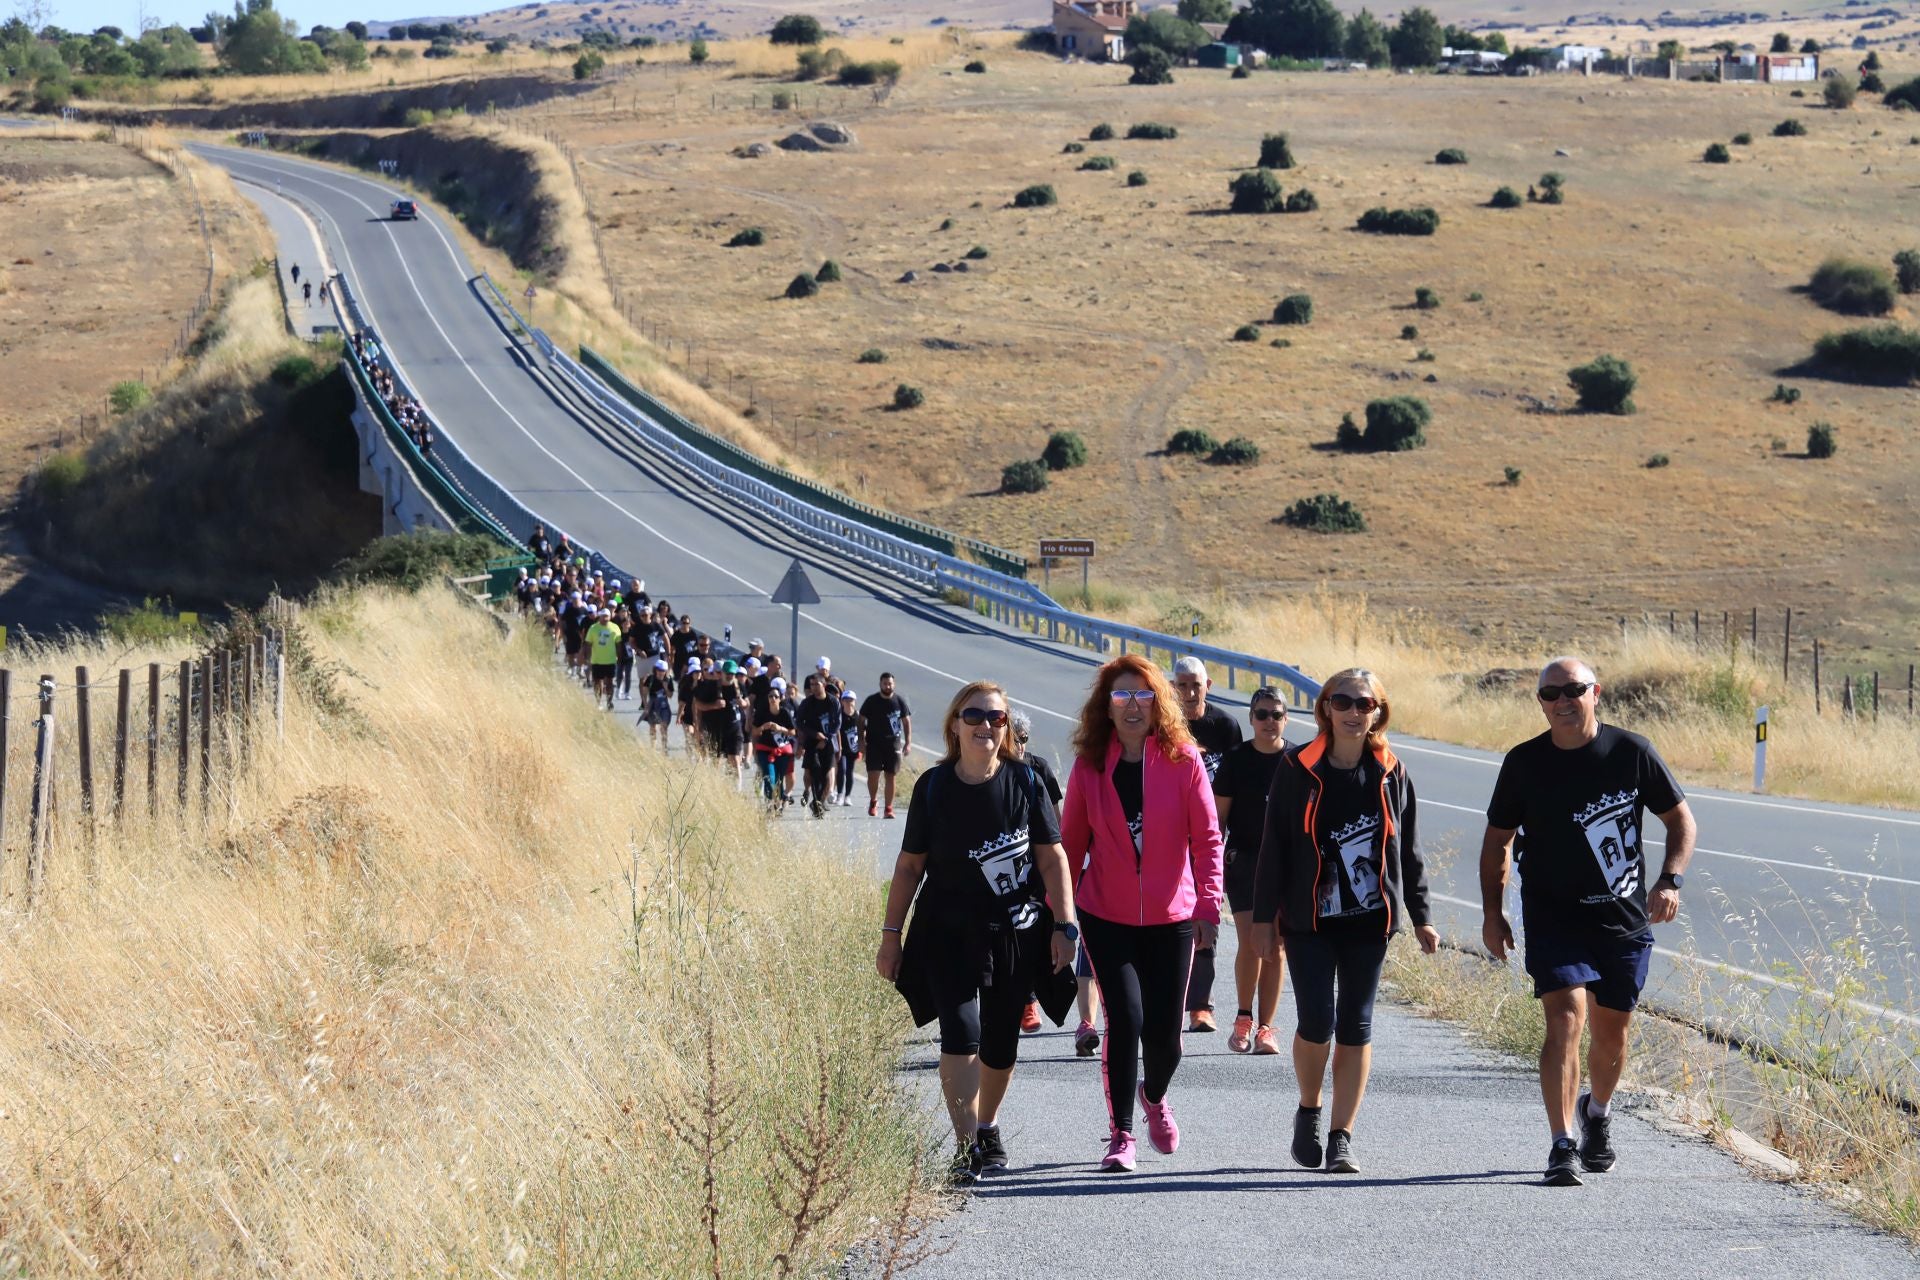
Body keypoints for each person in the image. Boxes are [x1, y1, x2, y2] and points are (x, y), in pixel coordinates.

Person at [1479, 657, 1696, 1187]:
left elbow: (1680, 820)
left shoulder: (1631, 752)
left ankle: (1595, 1112)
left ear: (1595, 692)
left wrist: (1669, 881)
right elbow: (1497, 842)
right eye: (1549, 694)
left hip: (1621, 918)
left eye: (1572, 690)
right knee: (1565, 1019)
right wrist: (1493, 912)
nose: (1560, 702)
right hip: (1553, 915)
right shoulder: (1524, 762)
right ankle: (1561, 1144)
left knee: (1612, 1036)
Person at [877, 681, 1078, 1185]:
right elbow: (908, 867)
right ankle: (966, 1147)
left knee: (1001, 1042)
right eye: (974, 716)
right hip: (946, 931)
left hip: (1013, 931)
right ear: (954, 724)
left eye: (996, 717)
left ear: (1008, 727)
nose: (985, 725)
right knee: (960, 1032)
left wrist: (1065, 923)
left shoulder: (1027, 782)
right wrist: (890, 935)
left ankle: (987, 1124)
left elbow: (1053, 858)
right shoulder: (932, 787)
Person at [1252, 669, 1438, 1175]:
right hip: (1309, 921)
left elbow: (1409, 849)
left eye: (1365, 703)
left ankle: (1342, 1136)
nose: (1355, 712)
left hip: (1369, 920)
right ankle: (1309, 1109)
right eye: (1344, 702)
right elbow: (1274, 848)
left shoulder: (1390, 770)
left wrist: (1421, 915)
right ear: (1326, 709)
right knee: (1317, 1020)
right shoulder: (1298, 768)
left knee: (1356, 1024)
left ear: (1378, 711)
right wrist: (1263, 920)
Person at [1061, 654, 1223, 1173]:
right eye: (1122, 696)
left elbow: (1207, 838)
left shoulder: (1183, 760)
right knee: (1124, 1019)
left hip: (1172, 916)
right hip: (1105, 915)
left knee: (1166, 1038)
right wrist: (1060, 915)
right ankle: (1121, 1134)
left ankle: (1154, 1094)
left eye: (1143, 695)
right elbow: (1068, 845)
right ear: (1105, 707)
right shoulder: (1089, 766)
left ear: (1159, 704)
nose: (1133, 706)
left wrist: (1207, 903)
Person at [1211, 688, 1289, 1055]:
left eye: (1275, 714)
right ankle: (1243, 1019)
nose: (1268, 722)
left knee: (1276, 946)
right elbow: (1217, 821)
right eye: (1261, 714)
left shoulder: (1297, 761)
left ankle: (1267, 1028)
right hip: (1244, 860)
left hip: (1287, 864)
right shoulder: (1236, 760)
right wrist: (1206, 871)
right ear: (1251, 719)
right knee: (1251, 940)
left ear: (1286, 718)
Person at [1172, 655, 1244, 1033]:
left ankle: (1201, 1005)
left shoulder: (1225, 727)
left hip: (1210, 838)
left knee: (1206, 913)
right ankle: (1167, 999)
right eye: (1181, 685)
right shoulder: (1163, 724)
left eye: (1195, 684)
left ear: (1208, 685)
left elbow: (1234, 783)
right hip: (1168, 837)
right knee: (1167, 921)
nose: (1188, 692)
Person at [1009, 710, 1065, 1036]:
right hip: (1006, 866)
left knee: (1033, 931)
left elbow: (1055, 818)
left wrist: (1060, 858)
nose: (1020, 746)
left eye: (1024, 739)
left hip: (1037, 863)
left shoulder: (1038, 767)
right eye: (1014, 739)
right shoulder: (992, 770)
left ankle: (1031, 997)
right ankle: (1021, 999)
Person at [861, 673, 913, 818]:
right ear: (880, 684)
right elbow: (861, 720)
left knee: (891, 776)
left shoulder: (899, 701)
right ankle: (873, 801)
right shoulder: (871, 701)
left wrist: (908, 742)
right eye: (885, 683)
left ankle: (888, 808)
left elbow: (906, 722)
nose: (887, 686)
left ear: (894, 684)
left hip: (893, 744)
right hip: (874, 745)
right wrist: (861, 741)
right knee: (874, 775)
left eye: (890, 684)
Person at [795, 673, 842, 818]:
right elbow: (799, 722)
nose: (814, 688)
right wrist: (815, 735)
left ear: (823, 685)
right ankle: (810, 793)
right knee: (811, 772)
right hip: (812, 742)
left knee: (828, 775)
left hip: (828, 743)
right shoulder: (807, 703)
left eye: (817, 684)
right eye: (812, 685)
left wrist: (826, 739)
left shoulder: (833, 702)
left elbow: (837, 723)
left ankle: (819, 803)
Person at [752, 680, 798, 809]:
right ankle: (770, 804)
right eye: (770, 696)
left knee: (779, 779)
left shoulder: (784, 713)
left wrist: (780, 728)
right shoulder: (762, 712)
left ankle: (779, 801)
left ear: (780, 699)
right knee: (769, 777)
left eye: (776, 696)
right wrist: (762, 727)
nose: (773, 698)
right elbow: (754, 731)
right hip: (765, 750)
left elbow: (793, 732)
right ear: (767, 699)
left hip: (782, 751)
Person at [585, 607, 621, 711]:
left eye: (607, 616)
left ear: (610, 617)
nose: (605, 618)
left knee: (610, 682)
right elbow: (588, 643)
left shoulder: (615, 628)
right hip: (597, 660)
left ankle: (609, 702)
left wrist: (620, 657)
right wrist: (587, 657)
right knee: (597, 682)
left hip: (610, 660)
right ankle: (598, 702)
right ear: (599, 617)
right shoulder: (593, 628)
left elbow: (618, 644)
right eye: (603, 616)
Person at [834, 690, 862, 807]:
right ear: (842, 701)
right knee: (842, 769)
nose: (848, 702)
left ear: (854, 701)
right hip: (842, 749)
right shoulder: (840, 716)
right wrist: (838, 748)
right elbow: (836, 732)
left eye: (851, 700)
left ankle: (847, 796)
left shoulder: (858, 716)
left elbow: (863, 732)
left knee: (850, 772)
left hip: (853, 749)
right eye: (846, 700)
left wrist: (862, 748)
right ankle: (840, 794)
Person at [640, 657, 674, 750]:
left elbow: (670, 695)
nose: (660, 672)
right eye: (658, 670)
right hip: (653, 704)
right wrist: (645, 705)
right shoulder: (650, 679)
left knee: (664, 726)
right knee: (653, 726)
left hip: (663, 705)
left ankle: (664, 747)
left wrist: (666, 687)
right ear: (655, 670)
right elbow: (644, 692)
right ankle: (653, 747)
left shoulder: (668, 680)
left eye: (663, 670)